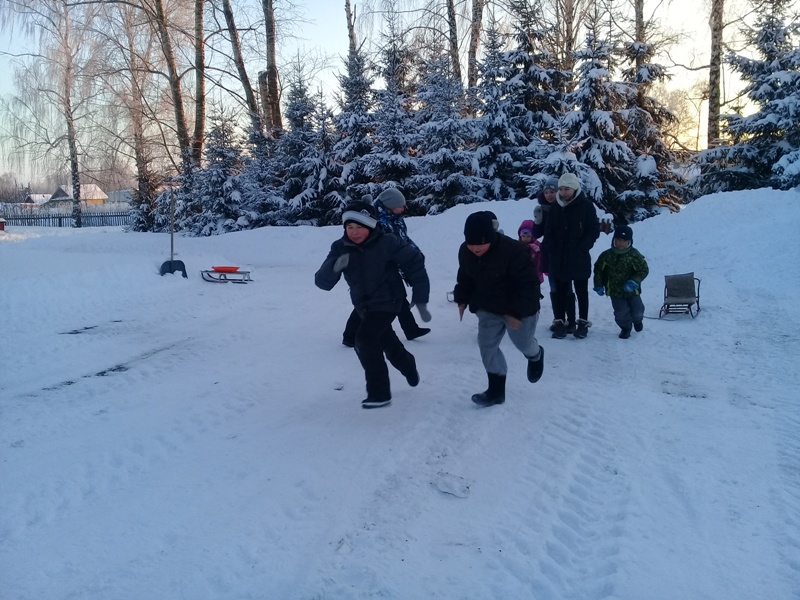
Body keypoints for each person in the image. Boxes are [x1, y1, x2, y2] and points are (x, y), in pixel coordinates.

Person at [315, 201, 431, 409]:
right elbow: (322, 283)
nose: (354, 232)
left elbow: (415, 261)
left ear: (370, 225)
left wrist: (420, 294)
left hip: (390, 300)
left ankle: (379, 393)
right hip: (363, 305)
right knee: (386, 340)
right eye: (350, 227)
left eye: (360, 227)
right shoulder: (340, 247)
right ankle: (407, 364)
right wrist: (335, 266)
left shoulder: (387, 242)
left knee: (364, 340)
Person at [453, 211, 544, 406]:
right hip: (488, 306)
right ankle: (496, 392)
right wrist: (462, 298)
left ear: (491, 237)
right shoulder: (466, 251)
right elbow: (465, 276)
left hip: (519, 308)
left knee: (522, 343)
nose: (475, 248)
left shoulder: (514, 251)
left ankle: (536, 355)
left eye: (480, 243)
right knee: (487, 345)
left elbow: (529, 286)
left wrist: (516, 313)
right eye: (471, 243)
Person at [341, 189, 430, 346]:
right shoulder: (377, 222)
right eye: (399, 206)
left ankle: (411, 329)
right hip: (378, 268)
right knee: (368, 302)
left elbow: (403, 239)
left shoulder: (396, 219)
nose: (403, 208)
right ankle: (349, 336)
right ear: (389, 206)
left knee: (399, 297)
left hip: (392, 266)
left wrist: (414, 253)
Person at [542, 172, 600, 340]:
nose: (563, 192)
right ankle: (560, 323)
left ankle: (582, 323)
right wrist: (552, 248)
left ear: (574, 188)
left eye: (566, 189)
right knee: (560, 291)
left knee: (581, 291)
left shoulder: (586, 206)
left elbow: (593, 229)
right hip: (559, 257)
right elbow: (548, 231)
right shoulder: (556, 207)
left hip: (578, 256)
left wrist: (583, 247)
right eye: (561, 189)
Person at [533, 177, 577, 333]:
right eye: (546, 192)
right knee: (554, 288)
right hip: (550, 253)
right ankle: (559, 320)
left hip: (566, 253)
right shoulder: (543, 209)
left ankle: (571, 321)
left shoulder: (566, 207)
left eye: (552, 191)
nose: (549, 195)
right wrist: (538, 221)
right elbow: (536, 234)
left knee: (567, 288)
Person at [593, 225, 649, 339]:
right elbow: (598, 270)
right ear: (613, 240)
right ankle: (625, 328)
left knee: (637, 311)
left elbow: (643, 270)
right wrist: (598, 284)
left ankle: (638, 321)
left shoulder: (634, 255)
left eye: (624, 241)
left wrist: (634, 281)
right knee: (621, 312)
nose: (620, 243)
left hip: (632, 290)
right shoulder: (606, 255)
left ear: (629, 241)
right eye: (618, 240)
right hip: (615, 291)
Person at [517, 219, 544, 284]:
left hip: (535, 277)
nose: (525, 238)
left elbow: (541, 261)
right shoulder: (517, 246)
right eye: (523, 236)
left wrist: (538, 251)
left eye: (528, 236)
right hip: (521, 277)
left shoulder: (537, 246)